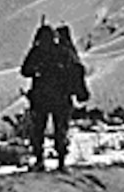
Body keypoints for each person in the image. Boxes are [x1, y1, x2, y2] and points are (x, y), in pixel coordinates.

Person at [20, 23, 89, 171]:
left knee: (38, 130)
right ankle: (61, 161)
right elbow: (75, 70)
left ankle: (40, 160)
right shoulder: (63, 51)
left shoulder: (37, 52)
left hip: (41, 98)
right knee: (60, 130)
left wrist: (38, 69)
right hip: (60, 98)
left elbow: (25, 71)